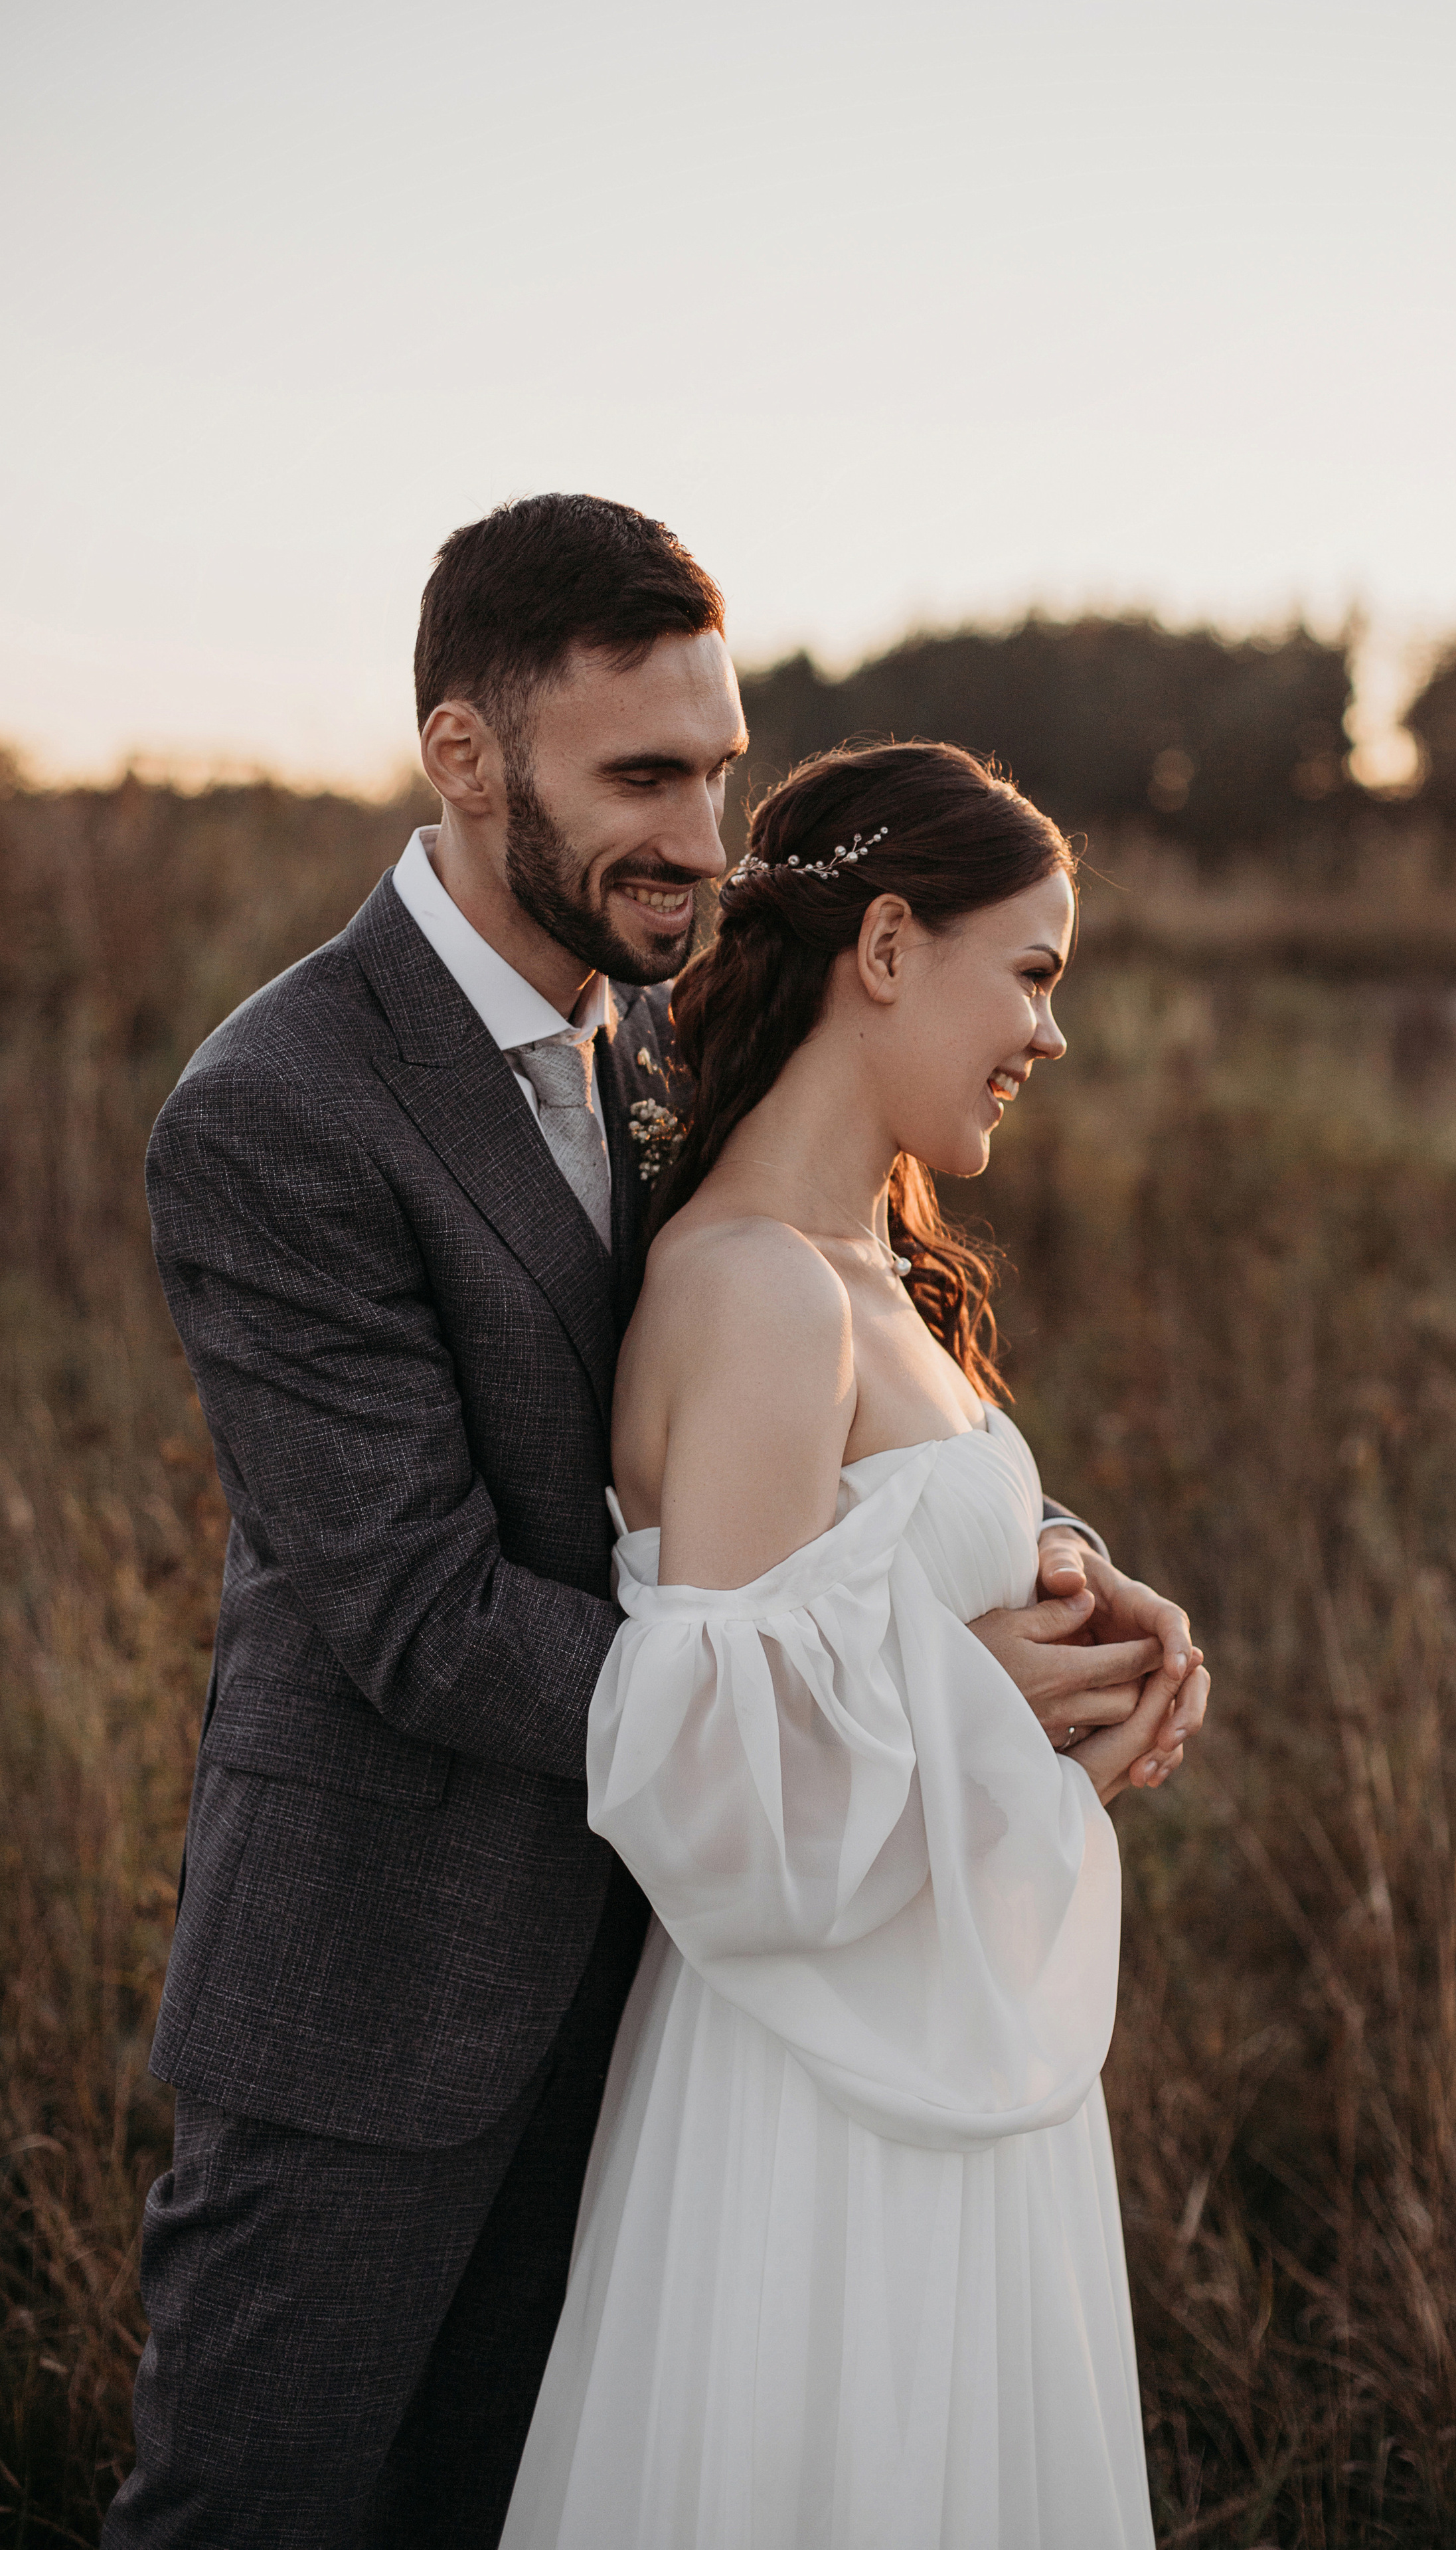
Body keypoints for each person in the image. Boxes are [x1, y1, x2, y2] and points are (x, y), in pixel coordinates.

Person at [106, 495, 1204, 2550]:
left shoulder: (660, 1059)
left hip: (666, 1990)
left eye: (717, 765)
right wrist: (903, 1701)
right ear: (462, 758)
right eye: (640, 777)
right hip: (381, 1999)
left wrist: (1036, 1557)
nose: (705, 833)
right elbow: (422, 1614)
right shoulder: (278, 1111)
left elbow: (804, 1436)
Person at [498, 740, 1208, 2549]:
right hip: (820, 2105)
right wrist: (983, 1693)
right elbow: (711, 1783)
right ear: (886, 948)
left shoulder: (876, 1264)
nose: (1049, 1034)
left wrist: (1086, 1591)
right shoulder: (748, 1292)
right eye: (1031, 972)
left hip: (945, 2050)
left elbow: (888, 1561)